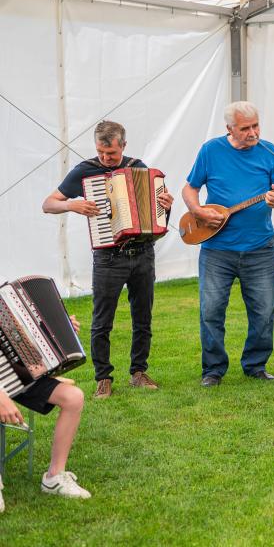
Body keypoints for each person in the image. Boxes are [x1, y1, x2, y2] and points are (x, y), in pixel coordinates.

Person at [42, 120, 173, 398]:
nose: (105, 158)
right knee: (102, 321)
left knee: (143, 318)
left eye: (111, 153)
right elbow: (48, 203)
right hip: (108, 257)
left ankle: (138, 372)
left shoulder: (139, 168)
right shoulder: (85, 171)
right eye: (101, 152)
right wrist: (72, 204)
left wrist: (165, 206)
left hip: (142, 254)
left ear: (123, 146)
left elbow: (157, 218)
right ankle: (103, 377)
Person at [182, 101, 274, 387]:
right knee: (211, 311)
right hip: (217, 249)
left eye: (256, 126)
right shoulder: (210, 150)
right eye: (245, 128)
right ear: (229, 128)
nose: (253, 133)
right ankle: (213, 370)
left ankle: (255, 365)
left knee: (263, 312)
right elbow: (190, 188)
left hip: (260, 248)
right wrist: (197, 211)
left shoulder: (269, 151)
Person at [1, 314, 90, 508]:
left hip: (16, 372)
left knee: (73, 398)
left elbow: (21, 332)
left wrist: (57, 330)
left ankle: (54, 477)